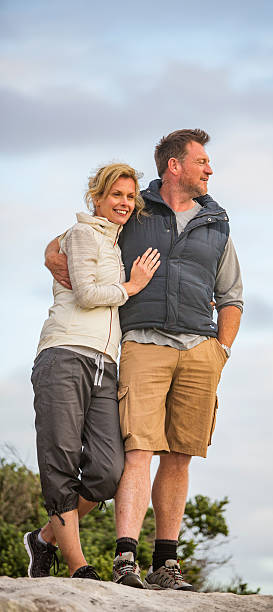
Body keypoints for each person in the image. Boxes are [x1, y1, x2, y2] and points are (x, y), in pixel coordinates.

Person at [45, 129, 243, 591]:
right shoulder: (137, 208)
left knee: (179, 457)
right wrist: (50, 256)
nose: (209, 170)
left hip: (201, 350)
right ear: (175, 165)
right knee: (138, 450)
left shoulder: (217, 222)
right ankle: (126, 559)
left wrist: (222, 349)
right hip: (143, 344)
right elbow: (68, 241)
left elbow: (231, 294)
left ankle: (166, 564)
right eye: (202, 162)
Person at [24, 163, 160, 582]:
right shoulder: (83, 233)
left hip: (105, 363)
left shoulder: (118, 241)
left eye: (129, 196)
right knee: (61, 460)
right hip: (64, 352)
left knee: (107, 470)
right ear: (97, 198)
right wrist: (132, 287)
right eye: (115, 195)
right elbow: (85, 294)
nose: (123, 203)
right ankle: (78, 565)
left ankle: (44, 538)